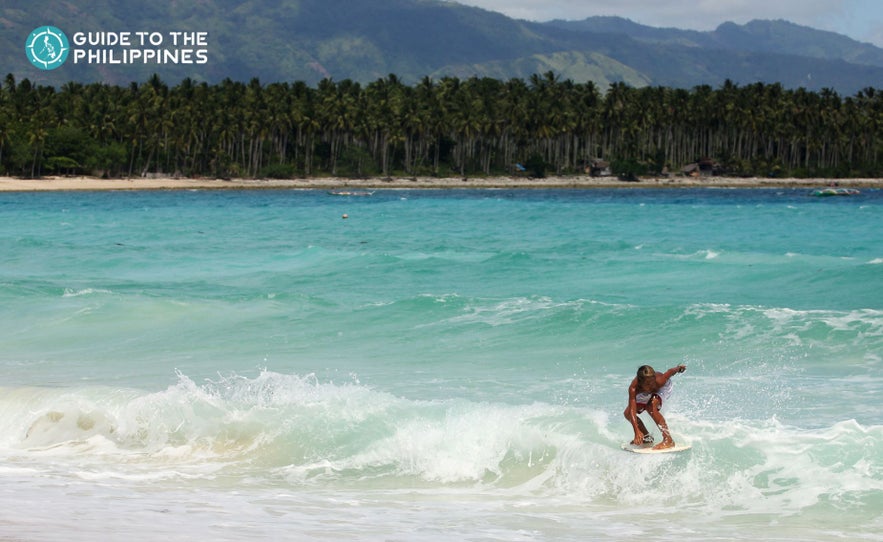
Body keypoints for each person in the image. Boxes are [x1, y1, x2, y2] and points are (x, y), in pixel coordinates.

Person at [623, 364, 686, 450]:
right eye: (648, 383)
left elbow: (670, 371)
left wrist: (679, 368)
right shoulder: (634, 388)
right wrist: (636, 431)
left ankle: (668, 440)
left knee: (650, 407)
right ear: (641, 383)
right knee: (627, 413)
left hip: (663, 388)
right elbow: (632, 409)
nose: (652, 385)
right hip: (643, 392)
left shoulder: (659, 381)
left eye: (653, 381)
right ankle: (646, 438)